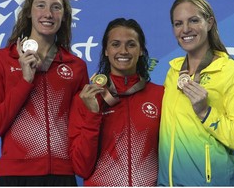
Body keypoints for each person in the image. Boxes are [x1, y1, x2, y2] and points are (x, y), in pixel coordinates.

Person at [0, 0, 88, 186]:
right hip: (14, 176)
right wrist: (25, 81)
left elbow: (80, 129)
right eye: (41, 5)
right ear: (28, 12)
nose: (48, 13)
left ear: (63, 16)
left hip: (63, 175)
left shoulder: (76, 67)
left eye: (56, 7)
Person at [158, 0, 234, 186]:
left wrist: (206, 113)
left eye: (194, 20)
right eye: (178, 23)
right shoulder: (173, 72)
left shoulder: (233, 73)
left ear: (210, 22)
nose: (185, 29)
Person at [68, 18, 164, 186]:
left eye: (131, 44)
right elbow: (81, 168)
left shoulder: (160, 95)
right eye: (115, 44)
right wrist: (92, 114)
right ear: (106, 50)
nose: (123, 51)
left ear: (141, 50)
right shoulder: (86, 99)